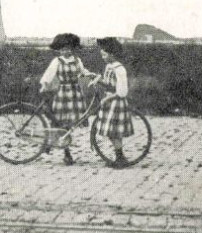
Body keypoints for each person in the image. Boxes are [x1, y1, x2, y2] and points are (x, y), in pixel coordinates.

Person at [39, 33, 92, 165]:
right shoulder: (57, 61)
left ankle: (54, 145)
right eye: (63, 48)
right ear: (59, 49)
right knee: (61, 123)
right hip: (62, 93)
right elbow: (49, 75)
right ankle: (66, 153)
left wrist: (91, 76)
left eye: (68, 48)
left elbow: (82, 72)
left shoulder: (77, 60)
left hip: (75, 94)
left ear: (73, 48)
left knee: (69, 125)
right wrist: (44, 85)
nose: (66, 51)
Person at [92, 37, 134, 168]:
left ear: (112, 54)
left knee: (115, 132)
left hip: (116, 103)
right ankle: (119, 156)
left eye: (104, 54)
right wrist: (97, 79)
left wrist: (108, 98)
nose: (103, 57)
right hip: (109, 102)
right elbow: (108, 83)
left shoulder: (119, 69)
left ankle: (120, 158)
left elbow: (121, 91)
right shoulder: (109, 67)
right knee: (111, 132)